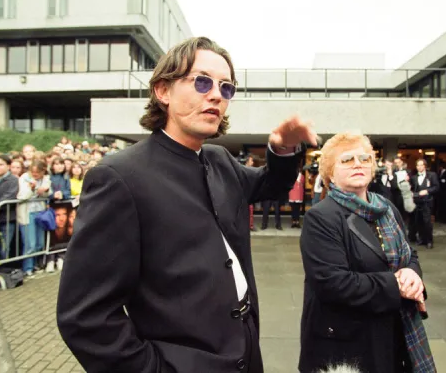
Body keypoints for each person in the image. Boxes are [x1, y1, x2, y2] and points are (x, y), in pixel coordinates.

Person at [57, 36, 317, 373]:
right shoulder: (118, 177)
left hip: (245, 348)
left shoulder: (219, 159)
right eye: (202, 81)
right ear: (163, 91)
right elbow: (85, 317)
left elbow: (270, 185)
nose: (215, 95)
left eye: (226, 87)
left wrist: (282, 149)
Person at [298, 133, 434, 373]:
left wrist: (412, 274)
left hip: (395, 333)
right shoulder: (321, 217)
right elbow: (333, 283)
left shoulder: (386, 207)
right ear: (329, 173)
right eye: (347, 159)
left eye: (364, 158)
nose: (358, 163)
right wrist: (397, 285)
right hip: (349, 344)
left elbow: (409, 254)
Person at [17, 160, 51, 276]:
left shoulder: (46, 179)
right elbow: (21, 196)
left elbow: (48, 195)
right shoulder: (24, 178)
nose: (35, 175)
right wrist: (31, 189)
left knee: (39, 242)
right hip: (27, 213)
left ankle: (36, 263)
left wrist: (45, 191)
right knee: (29, 243)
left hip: (40, 213)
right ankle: (27, 267)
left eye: (37, 172)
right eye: (33, 172)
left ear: (43, 171)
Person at [0, 155, 19, 259]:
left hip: (7, 218)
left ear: (8, 166)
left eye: (1, 165)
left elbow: (9, 196)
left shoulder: (13, 180)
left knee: (4, 246)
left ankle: (3, 268)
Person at [409, 159, 439, 249]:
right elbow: (411, 188)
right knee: (419, 222)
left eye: (421, 165)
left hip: (427, 202)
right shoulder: (414, 177)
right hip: (417, 202)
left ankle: (429, 241)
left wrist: (427, 191)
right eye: (417, 165)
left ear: (425, 166)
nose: (419, 167)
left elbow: (436, 187)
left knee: (427, 222)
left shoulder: (432, 175)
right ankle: (422, 239)